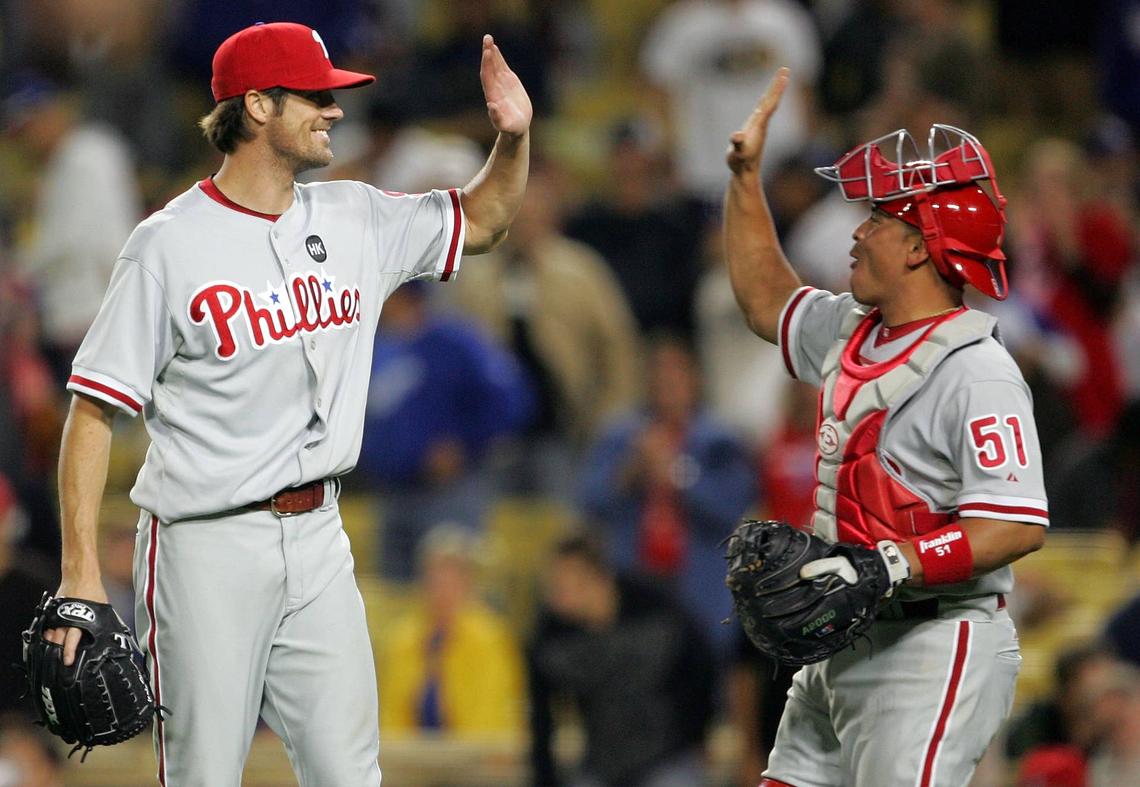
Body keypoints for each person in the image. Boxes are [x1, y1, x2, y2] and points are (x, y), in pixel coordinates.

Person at [44, 21, 530, 786]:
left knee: (350, 775)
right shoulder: (167, 245)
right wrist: (78, 571)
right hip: (205, 545)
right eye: (317, 96)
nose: (335, 110)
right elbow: (92, 410)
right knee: (203, 775)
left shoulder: (355, 216)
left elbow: (488, 220)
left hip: (320, 539)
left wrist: (513, 138)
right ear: (259, 106)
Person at [724, 68, 1048, 786]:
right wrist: (744, 180)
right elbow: (764, 299)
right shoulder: (851, 330)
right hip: (844, 639)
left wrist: (889, 562)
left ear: (917, 246)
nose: (857, 231)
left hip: (935, 643)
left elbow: (1016, 523)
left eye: (877, 218)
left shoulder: (977, 369)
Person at [577, 332, 756, 656]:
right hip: (634, 576)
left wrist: (677, 475)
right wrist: (630, 473)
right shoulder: (621, 436)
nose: (666, 385)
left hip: (699, 580)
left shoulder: (719, 440)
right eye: (658, 376)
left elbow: (730, 508)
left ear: (694, 381)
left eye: (675, 375)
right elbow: (590, 500)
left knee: (699, 671)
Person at [527, 532, 716, 787]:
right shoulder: (551, 636)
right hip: (602, 763)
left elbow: (702, 668)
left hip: (667, 756)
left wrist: (697, 736)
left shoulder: (656, 610)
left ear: (595, 578)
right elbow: (541, 717)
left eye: (561, 585)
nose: (553, 595)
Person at [378, 523, 526, 737]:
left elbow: (490, 717)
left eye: (451, 581)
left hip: (472, 759)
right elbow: (390, 717)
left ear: (469, 583)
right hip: (410, 760)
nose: (442, 591)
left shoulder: (490, 638)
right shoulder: (402, 639)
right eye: (435, 580)